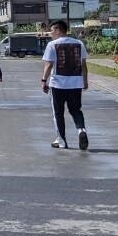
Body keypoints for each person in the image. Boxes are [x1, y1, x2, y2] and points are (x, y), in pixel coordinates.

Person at [41, 19, 88, 149]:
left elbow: (49, 64)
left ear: (57, 30)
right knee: (76, 110)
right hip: (76, 84)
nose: (50, 33)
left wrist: (44, 81)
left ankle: (61, 141)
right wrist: (85, 81)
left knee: (58, 112)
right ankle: (81, 130)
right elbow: (83, 65)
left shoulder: (52, 45)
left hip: (58, 85)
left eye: (51, 30)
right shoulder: (79, 44)